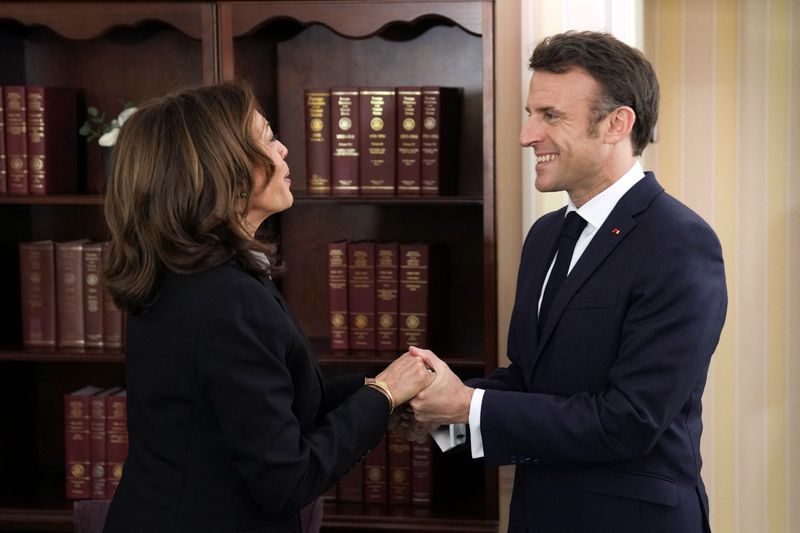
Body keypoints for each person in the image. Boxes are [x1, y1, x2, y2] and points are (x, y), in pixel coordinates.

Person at [405, 31, 727, 532]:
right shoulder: (546, 234)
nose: (526, 135)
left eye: (550, 116)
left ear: (617, 124)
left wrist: (468, 405)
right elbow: (531, 381)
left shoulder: (679, 243)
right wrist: (440, 405)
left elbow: (630, 422)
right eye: (530, 114)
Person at [101, 81, 434, 533]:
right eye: (267, 138)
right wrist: (384, 395)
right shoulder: (227, 299)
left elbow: (270, 400)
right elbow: (287, 480)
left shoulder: (186, 275)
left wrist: (388, 386)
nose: (284, 151)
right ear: (225, 169)